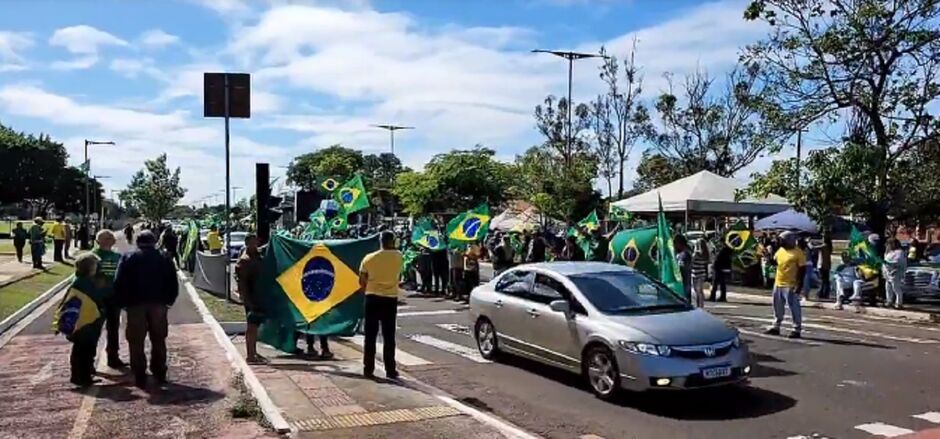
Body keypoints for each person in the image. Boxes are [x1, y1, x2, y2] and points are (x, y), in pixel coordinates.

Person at [113, 231, 179, 388]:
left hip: (135, 305)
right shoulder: (164, 257)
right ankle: (159, 371)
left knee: (136, 341)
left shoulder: (129, 257)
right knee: (159, 339)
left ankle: (139, 373)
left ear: (138, 241)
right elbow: (172, 281)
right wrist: (169, 300)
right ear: (154, 241)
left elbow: (119, 281)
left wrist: (122, 302)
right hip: (159, 304)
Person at [359, 231, 403, 379]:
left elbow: (362, 280)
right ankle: (390, 369)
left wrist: (370, 289)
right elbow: (399, 275)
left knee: (370, 336)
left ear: (380, 241)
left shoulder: (369, 258)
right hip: (390, 299)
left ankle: (368, 369)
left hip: (372, 298)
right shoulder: (399, 256)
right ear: (392, 241)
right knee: (389, 336)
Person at [58, 253, 107, 387]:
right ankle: (83, 377)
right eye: (96, 265)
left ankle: (79, 375)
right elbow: (97, 297)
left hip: (82, 320)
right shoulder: (85, 283)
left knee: (80, 349)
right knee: (84, 350)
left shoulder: (79, 280)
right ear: (90, 267)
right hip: (85, 320)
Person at [93, 230, 126, 368]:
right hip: (97, 299)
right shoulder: (93, 257)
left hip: (111, 298)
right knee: (96, 329)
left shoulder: (118, 257)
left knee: (111, 329)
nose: (108, 241)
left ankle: (113, 357)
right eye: (105, 238)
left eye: (109, 238)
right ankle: (91, 361)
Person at [765, 231, 806, 338]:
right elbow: (774, 262)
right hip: (778, 283)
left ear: (789, 240)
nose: (779, 241)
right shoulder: (780, 250)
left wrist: (799, 285)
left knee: (794, 307)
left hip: (790, 284)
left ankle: (796, 329)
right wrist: (768, 254)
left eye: (781, 240)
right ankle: (776, 326)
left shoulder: (798, 253)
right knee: (777, 306)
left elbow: (802, 270)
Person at [236, 234, 267, 364]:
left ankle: (253, 352)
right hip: (251, 299)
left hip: (259, 296)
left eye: (257, 242)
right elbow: (242, 284)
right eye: (253, 242)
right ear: (248, 243)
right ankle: (250, 355)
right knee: (252, 327)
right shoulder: (245, 260)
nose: (256, 245)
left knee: (255, 327)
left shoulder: (257, 256)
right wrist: (247, 301)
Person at [883, 238, 907, 309]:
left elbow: (898, 261)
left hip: (895, 272)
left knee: (896, 288)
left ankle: (899, 303)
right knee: (888, 288)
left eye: (889, 244)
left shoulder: (899, 252)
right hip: (887, 273)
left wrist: (889, 264)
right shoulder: (888, 252)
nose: (887, 245)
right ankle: (889, 301)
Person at [690, 239, 709, 308]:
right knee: (700, 291)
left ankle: (699, 305)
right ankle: (701, 305)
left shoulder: (696, 254)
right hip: (702, 273)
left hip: (695, 274)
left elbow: (691, 263)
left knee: (696, 291)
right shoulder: (706, 254)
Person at [674, 235, 692, 303]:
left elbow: (682, 267)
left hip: (684, 281)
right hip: (684, 281)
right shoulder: (682, 253)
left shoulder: (684, 254)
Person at [817, 235, 833, 299]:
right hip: (827, 265)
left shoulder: (824, 246)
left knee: (822, 280)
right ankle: (826, 293)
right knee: (826, 280)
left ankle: (821, 293)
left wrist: (809, 242)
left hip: (822, 265)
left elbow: (812, 248)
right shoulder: (829, 246)